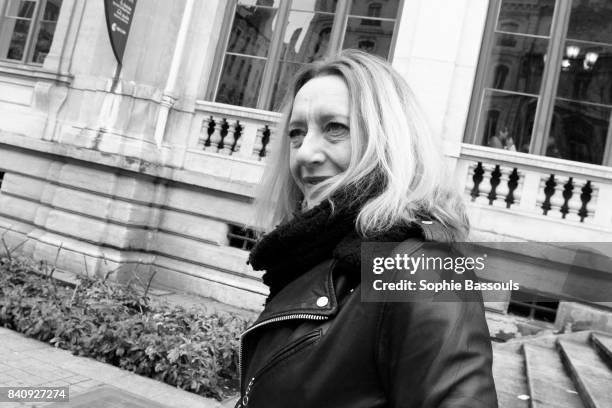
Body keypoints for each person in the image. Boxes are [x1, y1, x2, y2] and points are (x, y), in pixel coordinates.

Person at [238, 50, 497, 408]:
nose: (303, 154)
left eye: (335, 128)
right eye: (296, 134)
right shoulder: (314, 255)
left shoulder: (422, 271)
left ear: (390, 140)